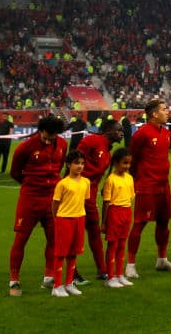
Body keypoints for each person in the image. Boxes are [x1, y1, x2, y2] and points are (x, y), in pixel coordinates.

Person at [8, 115, 67, 297]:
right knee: (21, 238)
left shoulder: (62, 144)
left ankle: (49, 276)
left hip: (52, 198)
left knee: (54, 238)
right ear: (40, 131)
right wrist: (31, 185)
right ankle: (14, 280)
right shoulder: (25, 147)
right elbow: (15, 172)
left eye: (53, 137)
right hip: (30, 198)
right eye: (47, 137)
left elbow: (60, 167)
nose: (50, 141)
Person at [126, 99, 171, 279]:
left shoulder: (167, 132)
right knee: (140, 223)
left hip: (164, 185)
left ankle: (161, 259)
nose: (167, 112)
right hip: (147, 185)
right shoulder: (142, 134)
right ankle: (130, 264)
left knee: (164, 223)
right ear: (154, 114)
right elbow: (132, 159)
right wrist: (137, 179)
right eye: (164, 109)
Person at [73, 118, 123, 281]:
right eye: (118, 130)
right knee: (74, 233)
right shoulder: (92, 140)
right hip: (75, 194)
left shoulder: (108, 152)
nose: (121, 133)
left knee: (94, 231)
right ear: (108, 130)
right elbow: (73, 160)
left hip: (90, 197)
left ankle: (102, 269)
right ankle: (71, 272)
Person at [50, 150, 91, 298]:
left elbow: (84, 201)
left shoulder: (86, 182)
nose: (80, 166)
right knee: (61, 254)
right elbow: (55, 203)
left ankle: (69, 283)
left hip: (79, 219)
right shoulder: (63, 184)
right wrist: (57, 218)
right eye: (76, 163)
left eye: (82, 163)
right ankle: (57, 286)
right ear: (68, 165)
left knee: (74, 253)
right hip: (64, 220)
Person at [102, 147, 135, 288]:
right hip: (114, 213)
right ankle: (110, 277)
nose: (127, 166)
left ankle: (119, 274)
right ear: (116, 163)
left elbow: (131, 196)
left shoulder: (129, 178)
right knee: (113, 245)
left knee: (122, 244)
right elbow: (106, 203)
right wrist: (104, 222)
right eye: (124, 163)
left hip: (126, 212)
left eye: (129, 163)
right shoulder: (111, 180)